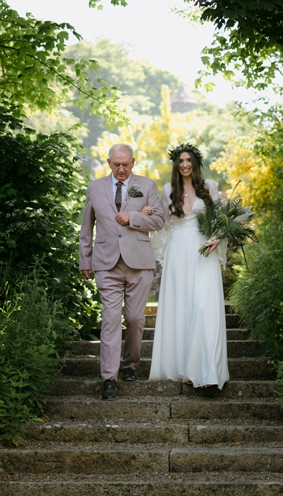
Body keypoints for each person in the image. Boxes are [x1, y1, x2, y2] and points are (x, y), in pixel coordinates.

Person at [78, 143, 167, 400]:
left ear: (133, 162)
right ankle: (109, 376)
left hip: (139, 263)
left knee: (135, 319)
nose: (120, 169)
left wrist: (133, 217)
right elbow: (87, 227)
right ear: (108, 163)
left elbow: (159, 220)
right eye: (116, 164)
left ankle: (130, 364)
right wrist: (85, 259)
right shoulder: (94, 187)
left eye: (125, 164)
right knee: (110, 319)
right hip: (106, 263)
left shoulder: (147, 185)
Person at [144, 143, 230, 391]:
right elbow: (162, 223)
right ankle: (187, 370)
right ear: (176, 164)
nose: (184, 164)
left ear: (195, 163)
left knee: (205, 307)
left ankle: (209, 372)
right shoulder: (168, 190)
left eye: (188, 160)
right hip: (178, 252)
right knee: (183, 308)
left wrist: (218, 236)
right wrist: (149, 212)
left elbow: (221, 220)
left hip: (204, 252)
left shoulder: (209, 187)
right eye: (180, 161)